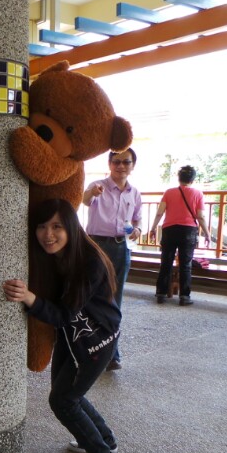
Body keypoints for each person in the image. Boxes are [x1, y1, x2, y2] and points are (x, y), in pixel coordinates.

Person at [3, 199, 123, 453]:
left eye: (57, 226)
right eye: (42, 226)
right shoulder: (58, 257)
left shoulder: (89, 262)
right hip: (72, 338)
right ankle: (104, 439)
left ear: (71, 226)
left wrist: (29, 298)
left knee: (63, 401)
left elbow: (64, 315)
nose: (48, 234)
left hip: (95, 341)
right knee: (67, 393)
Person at [82, 147, 142, 371]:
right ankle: (88, 348)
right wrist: (92, 193)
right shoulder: (98, 186)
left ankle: (111, 354)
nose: (121, 166)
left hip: (121, 247)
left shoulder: (134, 193)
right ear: (109, 164)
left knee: (115, 300)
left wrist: (138, 230)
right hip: (96, 245)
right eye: (116, 161)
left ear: (133, 166)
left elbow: (137, 220)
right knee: (91, 296)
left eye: (126, 162)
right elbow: (85, 200)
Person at [148, 165, 212, 306]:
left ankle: (161, 294)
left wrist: (153, 228)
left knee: (166, 262)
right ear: (193, 180)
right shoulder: (198, 194)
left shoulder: (169, 192)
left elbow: (160, 213)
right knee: (185, 265)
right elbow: (200, 216)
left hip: (169, 230)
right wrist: (207, 234)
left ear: (179, 178)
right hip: (188, 231)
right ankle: (184, 297)